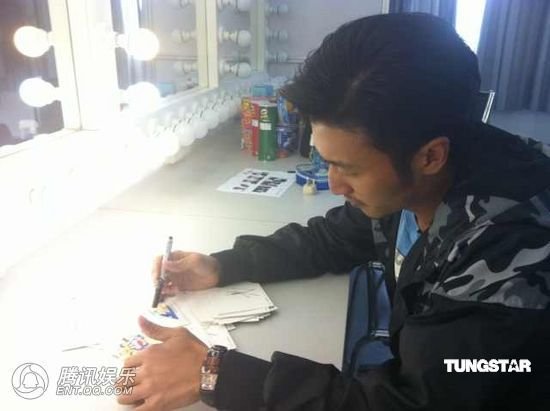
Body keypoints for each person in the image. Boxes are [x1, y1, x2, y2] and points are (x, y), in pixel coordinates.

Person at [116, 13, 550, 411]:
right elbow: (334, 238)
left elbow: (417, 402)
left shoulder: (509, 250)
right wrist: (221, 266)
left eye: (349, 168)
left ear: (430, 156)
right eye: (327, 161)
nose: (336, 186)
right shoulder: (416, 180)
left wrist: (217, 374)